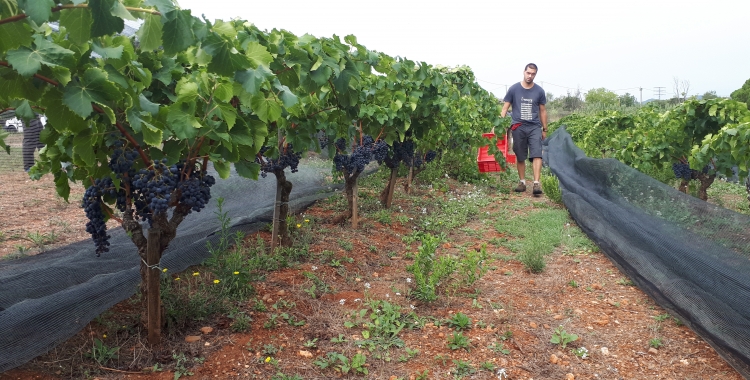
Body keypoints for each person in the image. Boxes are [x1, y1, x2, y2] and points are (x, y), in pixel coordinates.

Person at [501, 63, 548, 196]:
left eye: (533, 74)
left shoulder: (539, 91)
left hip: (534, 126)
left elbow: (543, 111)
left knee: (537, 154)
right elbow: (505, 108)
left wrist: (545, 129)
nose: (530, 76)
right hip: (518, 126)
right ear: (524, 72)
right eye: (528, 73)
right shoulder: (514, 89)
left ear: (535, 75)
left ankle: (536, 184)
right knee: (520, 155)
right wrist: (498, 125)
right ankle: (522, 182)